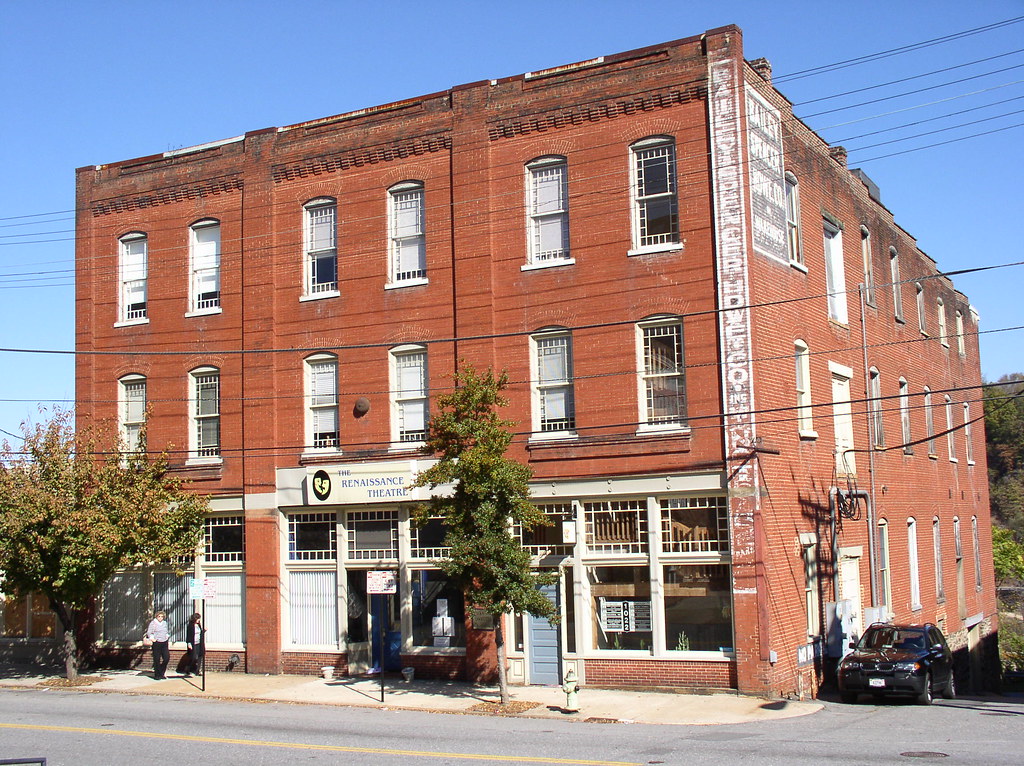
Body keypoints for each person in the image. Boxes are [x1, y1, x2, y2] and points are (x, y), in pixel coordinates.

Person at [145, 610, 170, 680]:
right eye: (159, 616)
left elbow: (166, 631)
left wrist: (167, 636)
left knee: (166, 658)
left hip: (164, 642)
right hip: (157, 643)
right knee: (157, 659)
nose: (160, 618)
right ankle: (157, 675)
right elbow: (149, 632)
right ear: (156, 617)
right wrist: (153, 639)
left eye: (162, 616)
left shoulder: (164, 623)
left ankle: (161, 672)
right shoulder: (153, 623)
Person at [184, 612, 205, 677]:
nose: (199, 620)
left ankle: (198, 670)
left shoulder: (198, 625)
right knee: (193, 657)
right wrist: (189, 643)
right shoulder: (190, 626)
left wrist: (204, 631)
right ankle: (187, 669)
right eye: (198, 619)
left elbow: (200, 633)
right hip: (193, 643)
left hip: (199, 643)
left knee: (200, 656)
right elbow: (189, 635)